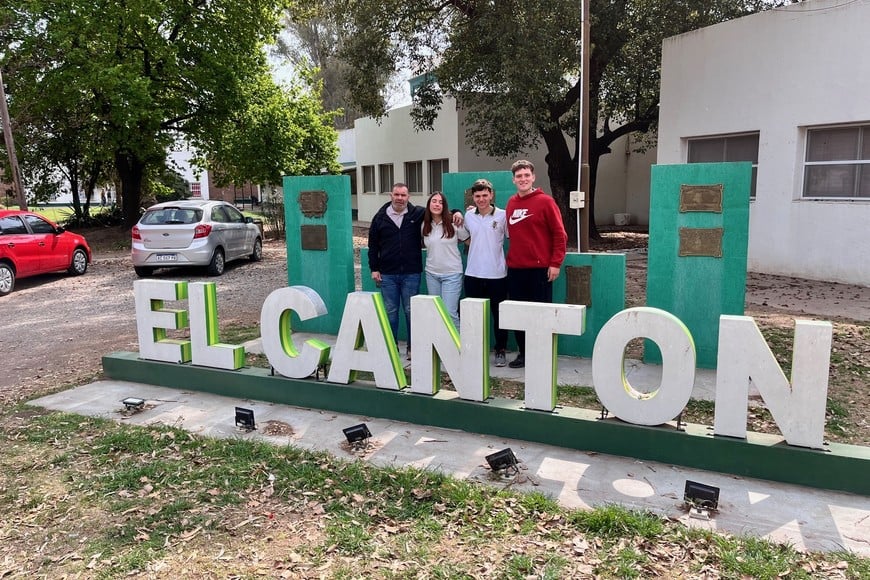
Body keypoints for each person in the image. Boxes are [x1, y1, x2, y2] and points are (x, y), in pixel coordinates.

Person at [368, 183, 463, 360]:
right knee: (390, 311)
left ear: (408, 197)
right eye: (396, 194)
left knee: (412, 311)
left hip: (411, 273)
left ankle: (414, 348)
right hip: (387, 273)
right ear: (391, 195)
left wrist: (457, 211)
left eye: (403, 195)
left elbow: (439, 209)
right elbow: (373, 244)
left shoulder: (417, 214)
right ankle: (392, 346)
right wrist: (374, 268)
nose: (400, 198)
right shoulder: (380, 217)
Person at [505, 160, 568, 368]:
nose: (523, 179)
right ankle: (523, 353)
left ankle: (542, 354)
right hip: (516, 269)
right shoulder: (511, 203)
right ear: (514, 179)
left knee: (541, 314)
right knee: (518, 315)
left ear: (533, 177)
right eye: (519, 176)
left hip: (540, 270)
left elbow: (560, 235)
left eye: (526, 175)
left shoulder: (546, 202)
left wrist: (555, 263)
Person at [463, 179, 509, 367]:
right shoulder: (468, 216)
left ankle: (500, 350)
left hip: (497, 274)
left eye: (484, 195)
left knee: (499, 316)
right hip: (473, 273)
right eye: (477, 196)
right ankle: (475, 350)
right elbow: (465, 237)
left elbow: (512, 237)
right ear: (473, 198)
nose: (481, 199)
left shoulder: (503, 216)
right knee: (473, 315)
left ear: (491, 195)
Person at [421, 191, 469, 329]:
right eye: (434, 201)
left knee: (450, 313)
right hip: (432, 274)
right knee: (436, 313)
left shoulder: (454, 223)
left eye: (440, 202)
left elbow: (469, 242)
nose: (437, 204)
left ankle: (460, 348)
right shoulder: (424, 225)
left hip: (452, 274)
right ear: (429, 204)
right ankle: (441, 348)